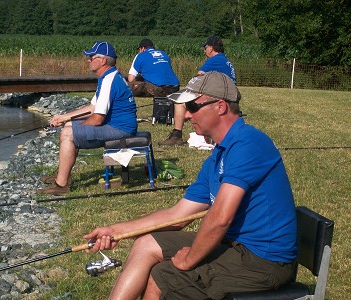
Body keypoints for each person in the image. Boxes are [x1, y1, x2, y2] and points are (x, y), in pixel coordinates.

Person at [84, 71, 297, 300]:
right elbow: (179, 214)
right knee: (146, 244)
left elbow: (219, 219)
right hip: (234, 245)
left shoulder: (248, 143)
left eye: (193, 106)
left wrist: (189, 259)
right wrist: (118, 231)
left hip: (263, 261)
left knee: (163, 276)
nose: (185, 115)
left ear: (221, 107)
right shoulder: (220, 154)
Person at [37, 41, 137, 195]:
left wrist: (76, 127)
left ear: (103, 60)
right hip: (117, 126)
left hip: (121, 130)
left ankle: (61, 185)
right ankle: (63, 176)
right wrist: (64, 118)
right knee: (68, 127)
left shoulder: (109, 80)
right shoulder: (108, 77)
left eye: (91, 57)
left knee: (68, 133)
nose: (88, 60)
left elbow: (97, 119)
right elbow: (92, 108)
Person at [159, 35, 237, 146]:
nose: (205, 50)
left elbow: (199, 77)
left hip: (220, 97)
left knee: (180, 102)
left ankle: (177, 135)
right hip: (229, 96)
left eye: (205, 47)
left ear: (211, 48)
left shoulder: (214, 60)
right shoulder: (225, 60)